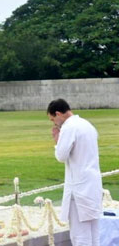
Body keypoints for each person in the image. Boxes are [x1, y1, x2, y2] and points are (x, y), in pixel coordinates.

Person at [47, 98, 102, 246]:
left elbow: (61, 155)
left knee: (80, 235)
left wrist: (57, 140)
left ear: (58, 114)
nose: (54, 124)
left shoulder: (69, 127)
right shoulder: (87, 124)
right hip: (93, 184)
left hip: (78, 189)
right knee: (94, 233)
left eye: (53, 120)